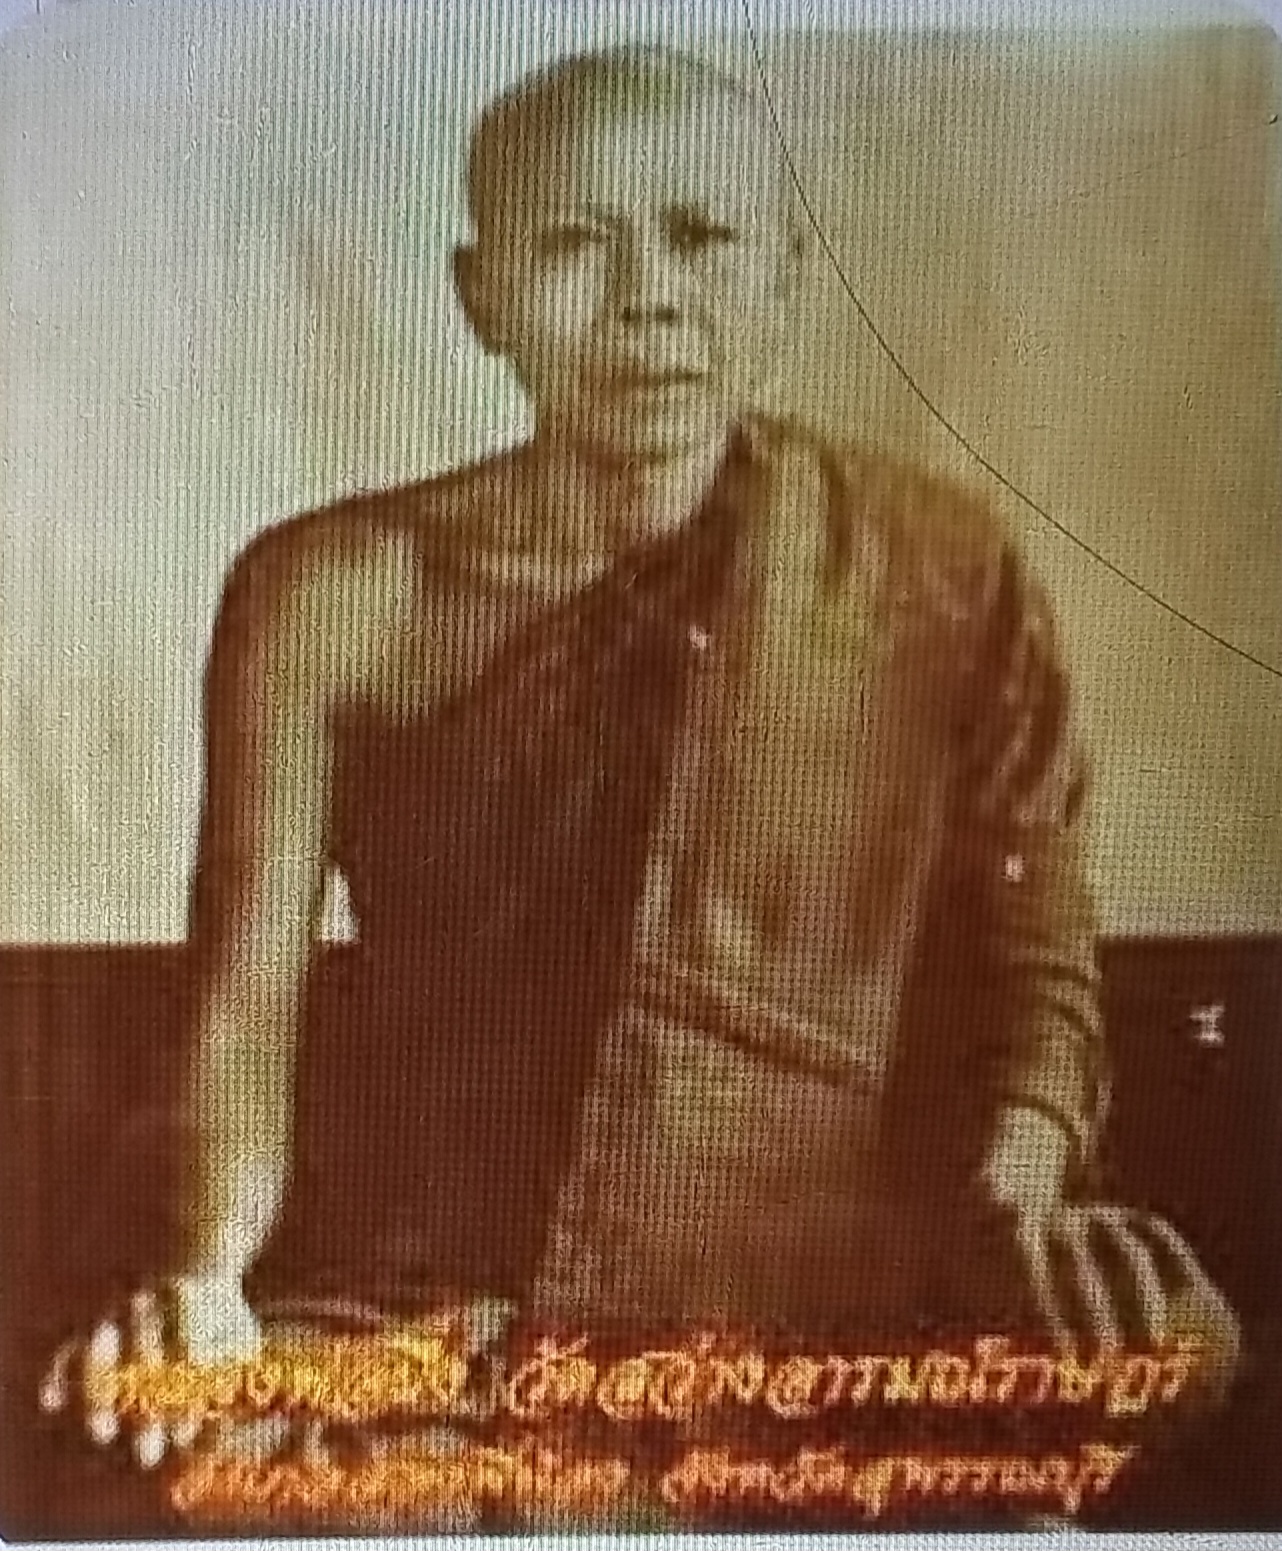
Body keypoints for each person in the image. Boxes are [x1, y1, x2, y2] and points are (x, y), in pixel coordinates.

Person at [43, 44, 1238, 1480]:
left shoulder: (934, 567)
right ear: (480, 297)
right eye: (574, 246)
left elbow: (1034, 961)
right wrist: (205, 1273)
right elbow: (248, 996)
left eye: (702, 237)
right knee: (169, 1435)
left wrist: (1018, 1200)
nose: (648, 298)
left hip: (819, 1291)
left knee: (1167, 1347)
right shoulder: (334, 593)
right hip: (450, 1286)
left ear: (784, 280)